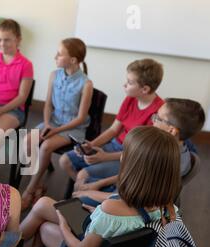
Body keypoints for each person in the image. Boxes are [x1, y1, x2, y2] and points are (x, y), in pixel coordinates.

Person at [20, 126, 181, 247]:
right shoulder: (169, 209)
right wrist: (97, 214)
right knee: (44, 204)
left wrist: (63, 225)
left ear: (133, 165)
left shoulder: (111, 209)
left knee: (44, 226)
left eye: (125, 152)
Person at [73, 98, 206, 207]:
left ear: (171, 131)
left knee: (76, 198)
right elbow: (129, 173)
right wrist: (98, 184)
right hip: (122, 193)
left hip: (124, 205)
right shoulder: (162, 148)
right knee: (82, 185)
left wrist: (90, 193)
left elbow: (125, 200)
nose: (152, 120)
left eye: (157, 118)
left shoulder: (162, 163)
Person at [59, 58, 164, 190]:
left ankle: (90, 193)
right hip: (116, 147)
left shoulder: (158, 114)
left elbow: (140, 153)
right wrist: (91, 145)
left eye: (130, 82)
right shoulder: (130, 99)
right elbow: (114, 130)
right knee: (65, 161)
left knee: (83, 175)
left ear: (145, 89)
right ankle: (90, 192)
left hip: (131, 158)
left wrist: (105, 157)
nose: (124, 85)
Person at [20, 38, 93, 210]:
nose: (55, 57)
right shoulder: (54, 75)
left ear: (73, 60)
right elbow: (47, 105)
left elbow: (81, 118)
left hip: (72, 127)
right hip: (52, 122)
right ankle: (39, 185)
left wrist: (56, 130)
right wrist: (47, 124)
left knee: (45, 147)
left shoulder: (86, 84)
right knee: (28, 141)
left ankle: (30, 190)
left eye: (59, 54)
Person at [0, 19, 34, 132]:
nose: (2, 44)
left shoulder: (26, 65)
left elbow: (22, 97)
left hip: (13, 109)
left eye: (7, 40)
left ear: (18, 40)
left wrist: (1, 110)